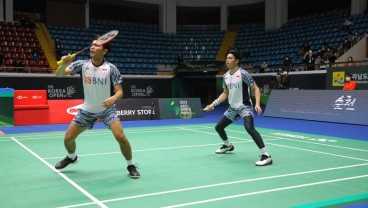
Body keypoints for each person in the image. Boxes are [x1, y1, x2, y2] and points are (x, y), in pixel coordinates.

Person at [54, 36, 140, 179]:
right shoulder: (81, 64)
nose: (92, 47)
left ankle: (130, 165)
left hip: (107, 110)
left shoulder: (111, 69)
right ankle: (72, 157)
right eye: (92, 44)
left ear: (104, 51)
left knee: (121, 137)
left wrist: (113, 98)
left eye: (97, 45)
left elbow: (120, 92)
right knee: (68, 139)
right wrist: (64, 64)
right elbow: (59, 75)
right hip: (87, 110)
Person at [204, 47, 272, 166]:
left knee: (249, 128)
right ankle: (227, 146)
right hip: (232, 108)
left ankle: (266, 155)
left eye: (230, 58)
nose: (227, 60)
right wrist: (214, 104)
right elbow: (225, 93)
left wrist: (257, 104)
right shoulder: (225, 76)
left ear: (237, 61)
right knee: (219, 127)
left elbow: (255, 88)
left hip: (244, 106)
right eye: (226, 58)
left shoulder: (243, 74)